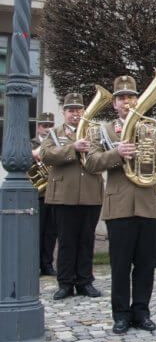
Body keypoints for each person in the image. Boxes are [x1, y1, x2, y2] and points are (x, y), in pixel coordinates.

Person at [85, 75, 156, 334]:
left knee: (146, 264)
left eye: (131, 97)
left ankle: (142, 312)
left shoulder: (151, 128)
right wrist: (117, 153)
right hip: (120, 206)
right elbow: (91, 163)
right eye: (122, 98)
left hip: (148, 203)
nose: (127, 102)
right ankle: (121, 315)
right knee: (121, 265)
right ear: (114, 104)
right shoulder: (103, 131)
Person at [40, 93, 104, 300]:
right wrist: (72, 148)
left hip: (90, 193)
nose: (75, 114)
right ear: (64, 113)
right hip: (63, 195)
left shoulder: (94, 133)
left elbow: (103, 156)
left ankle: (85, 282)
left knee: (86, 240)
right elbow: (45, 155)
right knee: (66, 241)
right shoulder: (55, 133)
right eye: (71, 110)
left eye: (78, 110)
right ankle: (65, 283)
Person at [31, 112, 57, 276]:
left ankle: (47, 264)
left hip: (54, 194)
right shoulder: (32, 144)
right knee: (38, 231)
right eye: (44, 126)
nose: (47, 129)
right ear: (38, 127)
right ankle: (36, 264)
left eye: (50, 125)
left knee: (51, 232)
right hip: (39, 195)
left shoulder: (56, 144)